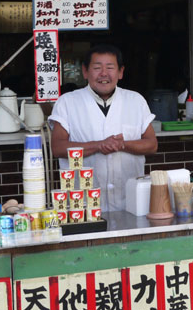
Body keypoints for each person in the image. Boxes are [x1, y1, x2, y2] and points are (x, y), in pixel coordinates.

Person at [49, 44, 158, 212]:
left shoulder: (136, 101)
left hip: (130, 203)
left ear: (120, 72)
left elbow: (151, 145)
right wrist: (99, 145)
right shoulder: (67, 102)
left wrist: (122, 145)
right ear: (85, 71)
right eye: (97, 67)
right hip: (83, 206)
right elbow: (58, 148)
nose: (104, 74)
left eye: (110, 67)